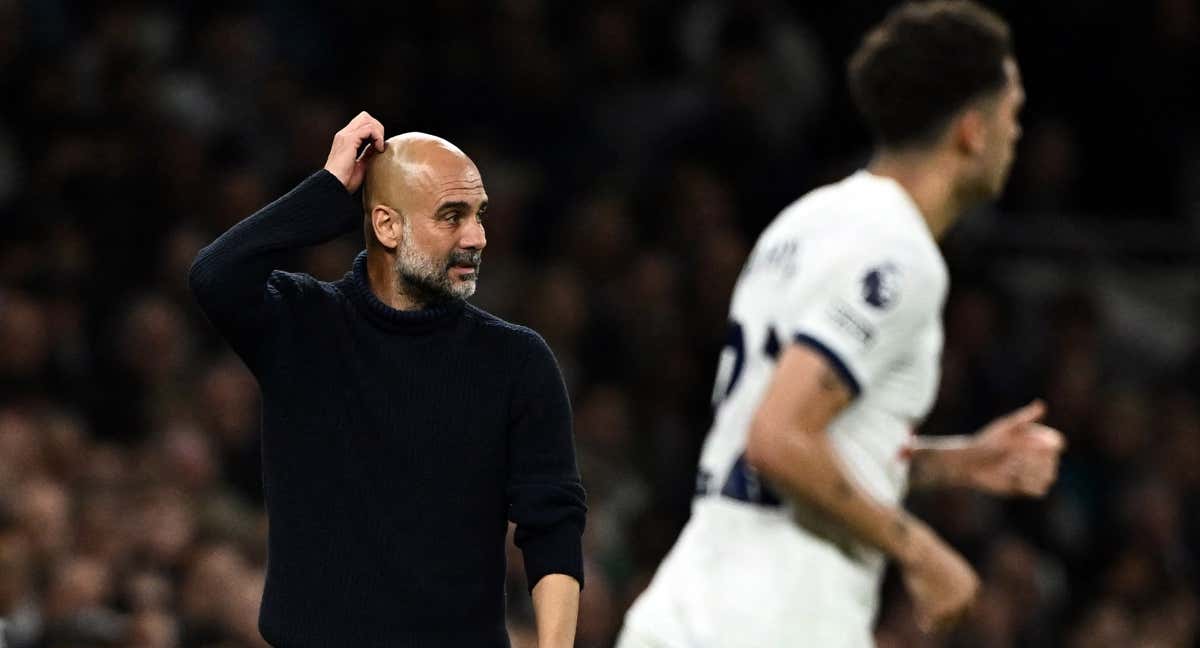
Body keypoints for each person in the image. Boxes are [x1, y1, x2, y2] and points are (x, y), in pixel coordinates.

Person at [617, 2, 1064, 646]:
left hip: (689, 610)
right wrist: (921, 552)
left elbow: (788, 437)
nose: (1018, 134)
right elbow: (776, 439)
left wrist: (956, 462)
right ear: (971, 130)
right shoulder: (900, 251)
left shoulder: (806, 222)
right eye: (1013, 112)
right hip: (773, 620)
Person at [189, 112, 585, 648]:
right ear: (386, 225)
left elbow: (553, 526)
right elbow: (215, 275)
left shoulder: (517, 360)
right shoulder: (302, 324)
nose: (478, 236)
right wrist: (328, 190)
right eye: (452, 216)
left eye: (479, 214)